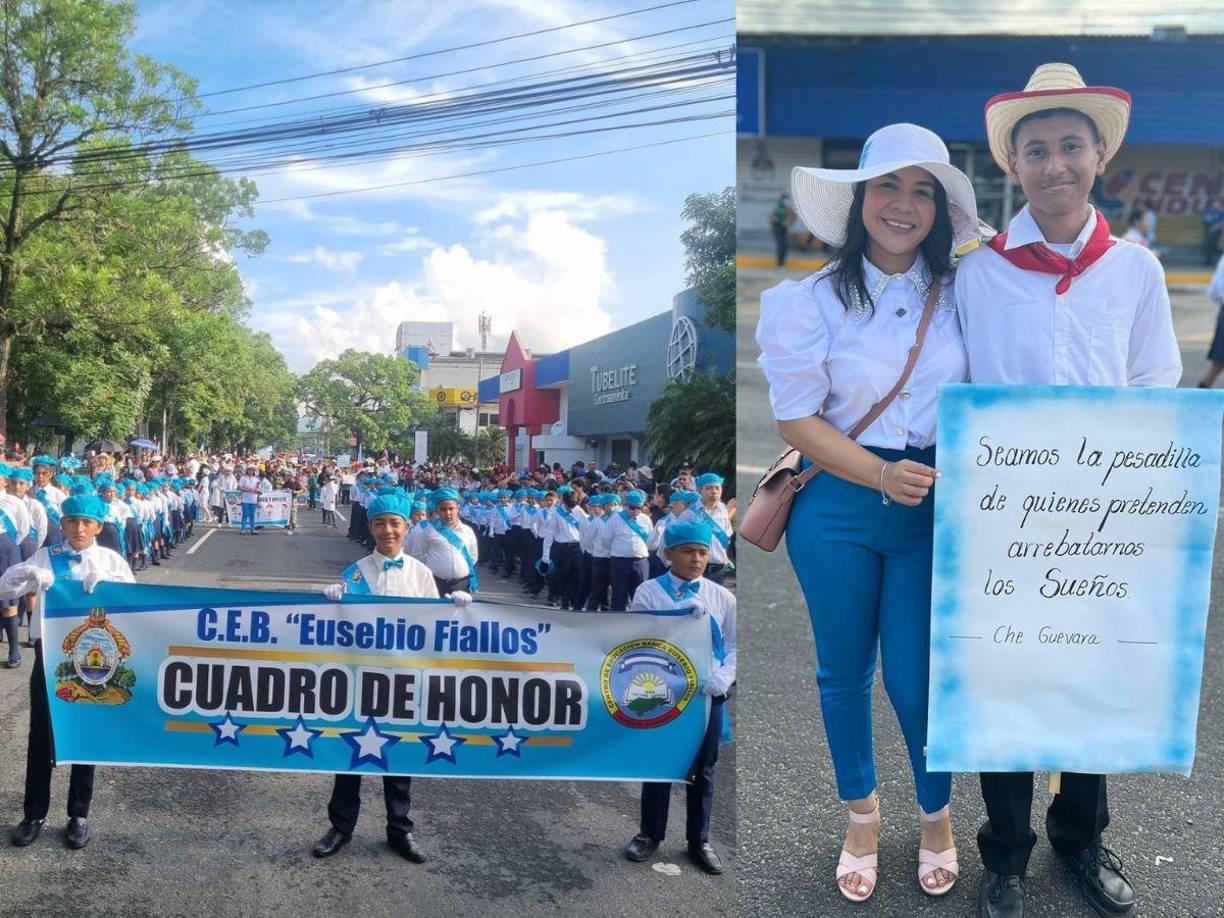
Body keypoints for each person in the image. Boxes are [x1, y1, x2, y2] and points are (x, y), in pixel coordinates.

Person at [957, 63, 1181, 918]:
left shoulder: (1137, 271)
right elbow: (959, 385)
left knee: (1093, 683)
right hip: (1002, 520)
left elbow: (1157, 383)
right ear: (1013, 166)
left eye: (1071, 147)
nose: (1056, 165)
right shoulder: (978, 273)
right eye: (1037, 150)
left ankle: (1081, 839)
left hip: (1103, 518)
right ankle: (1005, 855)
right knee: (1003, 683)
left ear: (1099, 158)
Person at [757, 121, 980, 902]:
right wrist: (882, 477)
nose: (903, 205)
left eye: (923, 191)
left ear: (941, 212)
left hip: (933, 506)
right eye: (888, 186)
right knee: (842, 671)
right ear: (858, 202)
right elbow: (796, 420)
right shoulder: (806, 301)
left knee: (920, 680)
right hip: (838, 508)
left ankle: (935, 812)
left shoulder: (965, 295)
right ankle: (860, 813)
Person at [314, 493, 473, 863]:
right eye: (381, 523)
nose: (388, 531)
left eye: (395, 523)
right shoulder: (355, 574)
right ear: (371, 527)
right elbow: (333, 631)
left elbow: (435, 631)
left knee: (399, 756)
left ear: (405, 528)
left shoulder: (421, 574)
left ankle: (400, 829)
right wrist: (330, 602)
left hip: (403, 681)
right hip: (359, 679)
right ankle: (341, 827)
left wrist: (456, 613)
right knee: (348, 756)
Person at [0, 493, 134, 848]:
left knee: (85, 735)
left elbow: (136, 608)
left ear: (98, 527)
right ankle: (33, 814)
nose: (78, 528)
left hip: (96, 663)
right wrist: (24, 572)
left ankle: (79, 814)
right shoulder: (47, 556)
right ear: (62, 524)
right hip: (50, 657)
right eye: (72, 521)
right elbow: (5, 588)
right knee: (42, 737)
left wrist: (109, 588)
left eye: (86, 522)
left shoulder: (111, 560)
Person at [623, 520, 736, 875]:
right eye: (687, 551)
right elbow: (636, 639)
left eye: (702, 552)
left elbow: (735, 644)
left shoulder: (722, 597)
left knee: (703, 768)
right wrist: (677, 622)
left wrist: (724, 676)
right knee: (659, 763)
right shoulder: (649, 592)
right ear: (668, 554)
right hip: (661, 692)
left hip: (707, 694)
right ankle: (649, 833)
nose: (696, 559)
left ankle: (698, 840)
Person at [414, 488, 479, 597]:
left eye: (451, 508)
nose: (447, 513)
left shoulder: (467, 531)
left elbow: (473, 555)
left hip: (461, 584)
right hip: (436, 583)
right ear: (437, 511)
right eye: (443, 509)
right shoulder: (429, 530)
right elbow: (418, 554)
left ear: (458, 508)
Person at [0, 463, 33, 667]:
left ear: (4, 480)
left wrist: (9, 547)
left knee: (9, 602)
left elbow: (23, 529)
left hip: (6, 549)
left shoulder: (12, 502)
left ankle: (14, 651)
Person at [770, 193, 797, 268]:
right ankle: (779, 264)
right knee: (781, 245)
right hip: (777, 228)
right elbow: (772, 217)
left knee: (785, 246)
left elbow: (794, 216)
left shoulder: (789, 207)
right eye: (787, 199)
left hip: (784, 229)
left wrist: (789, 222)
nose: (788, 201)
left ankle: (782, 264)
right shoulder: (778, 207)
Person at [237, 465, 261, 535]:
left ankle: (252, 529)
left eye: (252, 470)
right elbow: (240, 487)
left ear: (254, 471)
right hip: (245, 499)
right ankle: (243, 529)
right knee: (245, 514)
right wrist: (248, 490)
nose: (250, 471)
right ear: (247, 471)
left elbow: (258, 489)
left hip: (253, 499)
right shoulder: (243, 478)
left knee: (252, 515)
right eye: (249, 470)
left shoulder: (256, 479)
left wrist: (258, 491)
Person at [1203, 195, 1224, 266]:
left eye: (1217, 203)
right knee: (1209, 246)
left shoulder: (1222, 211)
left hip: (1219, 232)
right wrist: (1210, 227)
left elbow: (1222, 222)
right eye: (1215, 203)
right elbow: (1205, 220)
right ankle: (1208, 261)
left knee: (1217, 247)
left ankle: (1218, 260)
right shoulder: (1209, 210)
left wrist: (1216, 226)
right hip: (1209, 231)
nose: (1216, 204)